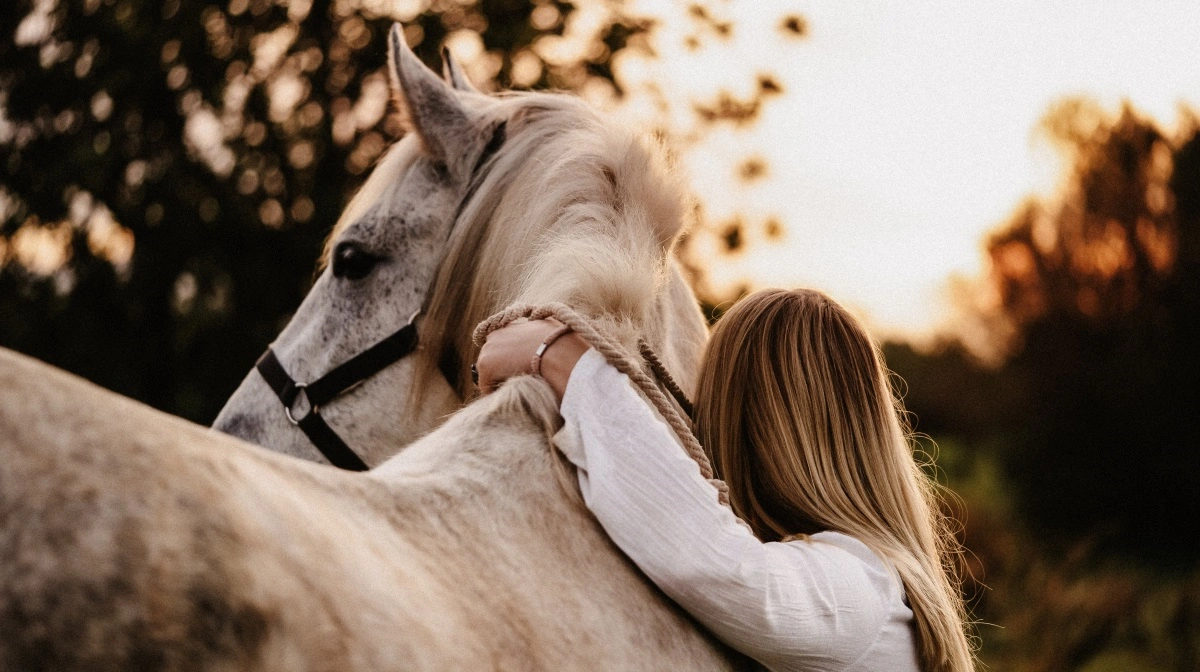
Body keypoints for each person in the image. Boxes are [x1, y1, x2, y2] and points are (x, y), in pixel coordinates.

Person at [474, 288, 975, 672]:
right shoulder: (874, 582)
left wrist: (570, 363)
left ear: (744, 424)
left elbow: (726, 570)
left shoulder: (863, 589)